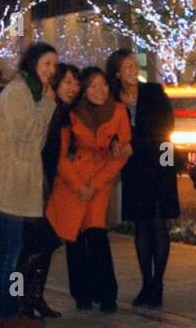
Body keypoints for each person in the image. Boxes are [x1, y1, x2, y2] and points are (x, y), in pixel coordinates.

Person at [0, 42, 58, 328]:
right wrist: (48, 104)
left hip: (15, 188)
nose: (51, 70)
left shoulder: (29, 93)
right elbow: (28, 136)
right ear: (33, 62)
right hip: (7, 189)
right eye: (46, 63)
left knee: (13, 253)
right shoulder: (19, 93)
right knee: (10, 257)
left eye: (54, 65)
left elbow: (33, 143)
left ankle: (10, 312)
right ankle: (7, 314)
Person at [46, 66, 132, 312]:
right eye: (93, 85)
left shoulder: (118, 111)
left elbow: (123, 152)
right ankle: (81, 294)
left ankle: (107, 294)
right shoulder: (69, 113)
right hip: (72, 182)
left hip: (99, 181)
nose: (100, 90)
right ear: (83, 89)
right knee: (74, 237)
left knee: (96, 234)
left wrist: (93, 185)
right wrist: (78, 185)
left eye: (103, 84)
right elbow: (60, 155)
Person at [107, 48, 179, 308]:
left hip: (160, 163)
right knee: (141, 225)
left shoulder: (154, 92)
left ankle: (157, 284)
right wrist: (115, 145)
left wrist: (134, 144)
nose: (133, 70)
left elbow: (165, 128)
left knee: (159, 224)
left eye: (134, 66)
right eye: (126, 66)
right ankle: (146, 282)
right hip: (135, 168)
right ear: (116, 72)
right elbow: (109, 132)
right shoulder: (114, 100)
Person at [18, 62, 81, 319]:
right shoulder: (48, 110)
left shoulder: (64, 112)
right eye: (67, 81)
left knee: (45, 243)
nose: (74, 87)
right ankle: (20, 300)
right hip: (34, 186)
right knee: (37, 243)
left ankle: (34, 297)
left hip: (49, 187)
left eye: (76, 83)